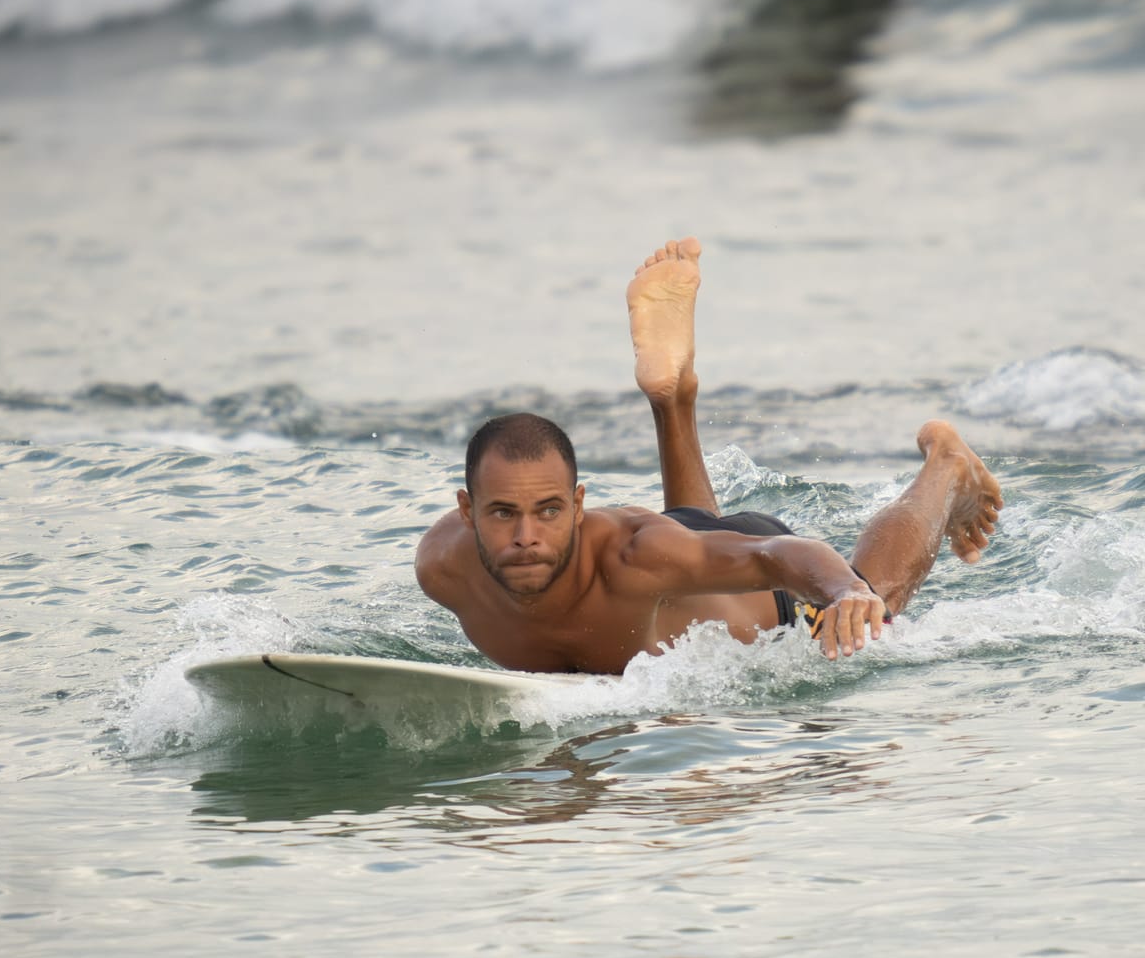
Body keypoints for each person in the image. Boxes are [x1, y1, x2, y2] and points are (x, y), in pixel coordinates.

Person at [414, 237, 1003, 675]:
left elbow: (782, 552)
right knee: (683, 552)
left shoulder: (631, 557)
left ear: (577, 505)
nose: (525, 536)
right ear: (467, 511)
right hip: (679, 557)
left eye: (547, 511)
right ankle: (672, 397)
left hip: (762, 606)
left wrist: (846, 594)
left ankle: (945, 467)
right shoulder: (443, 567)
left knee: (869, 612)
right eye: (501, 514)